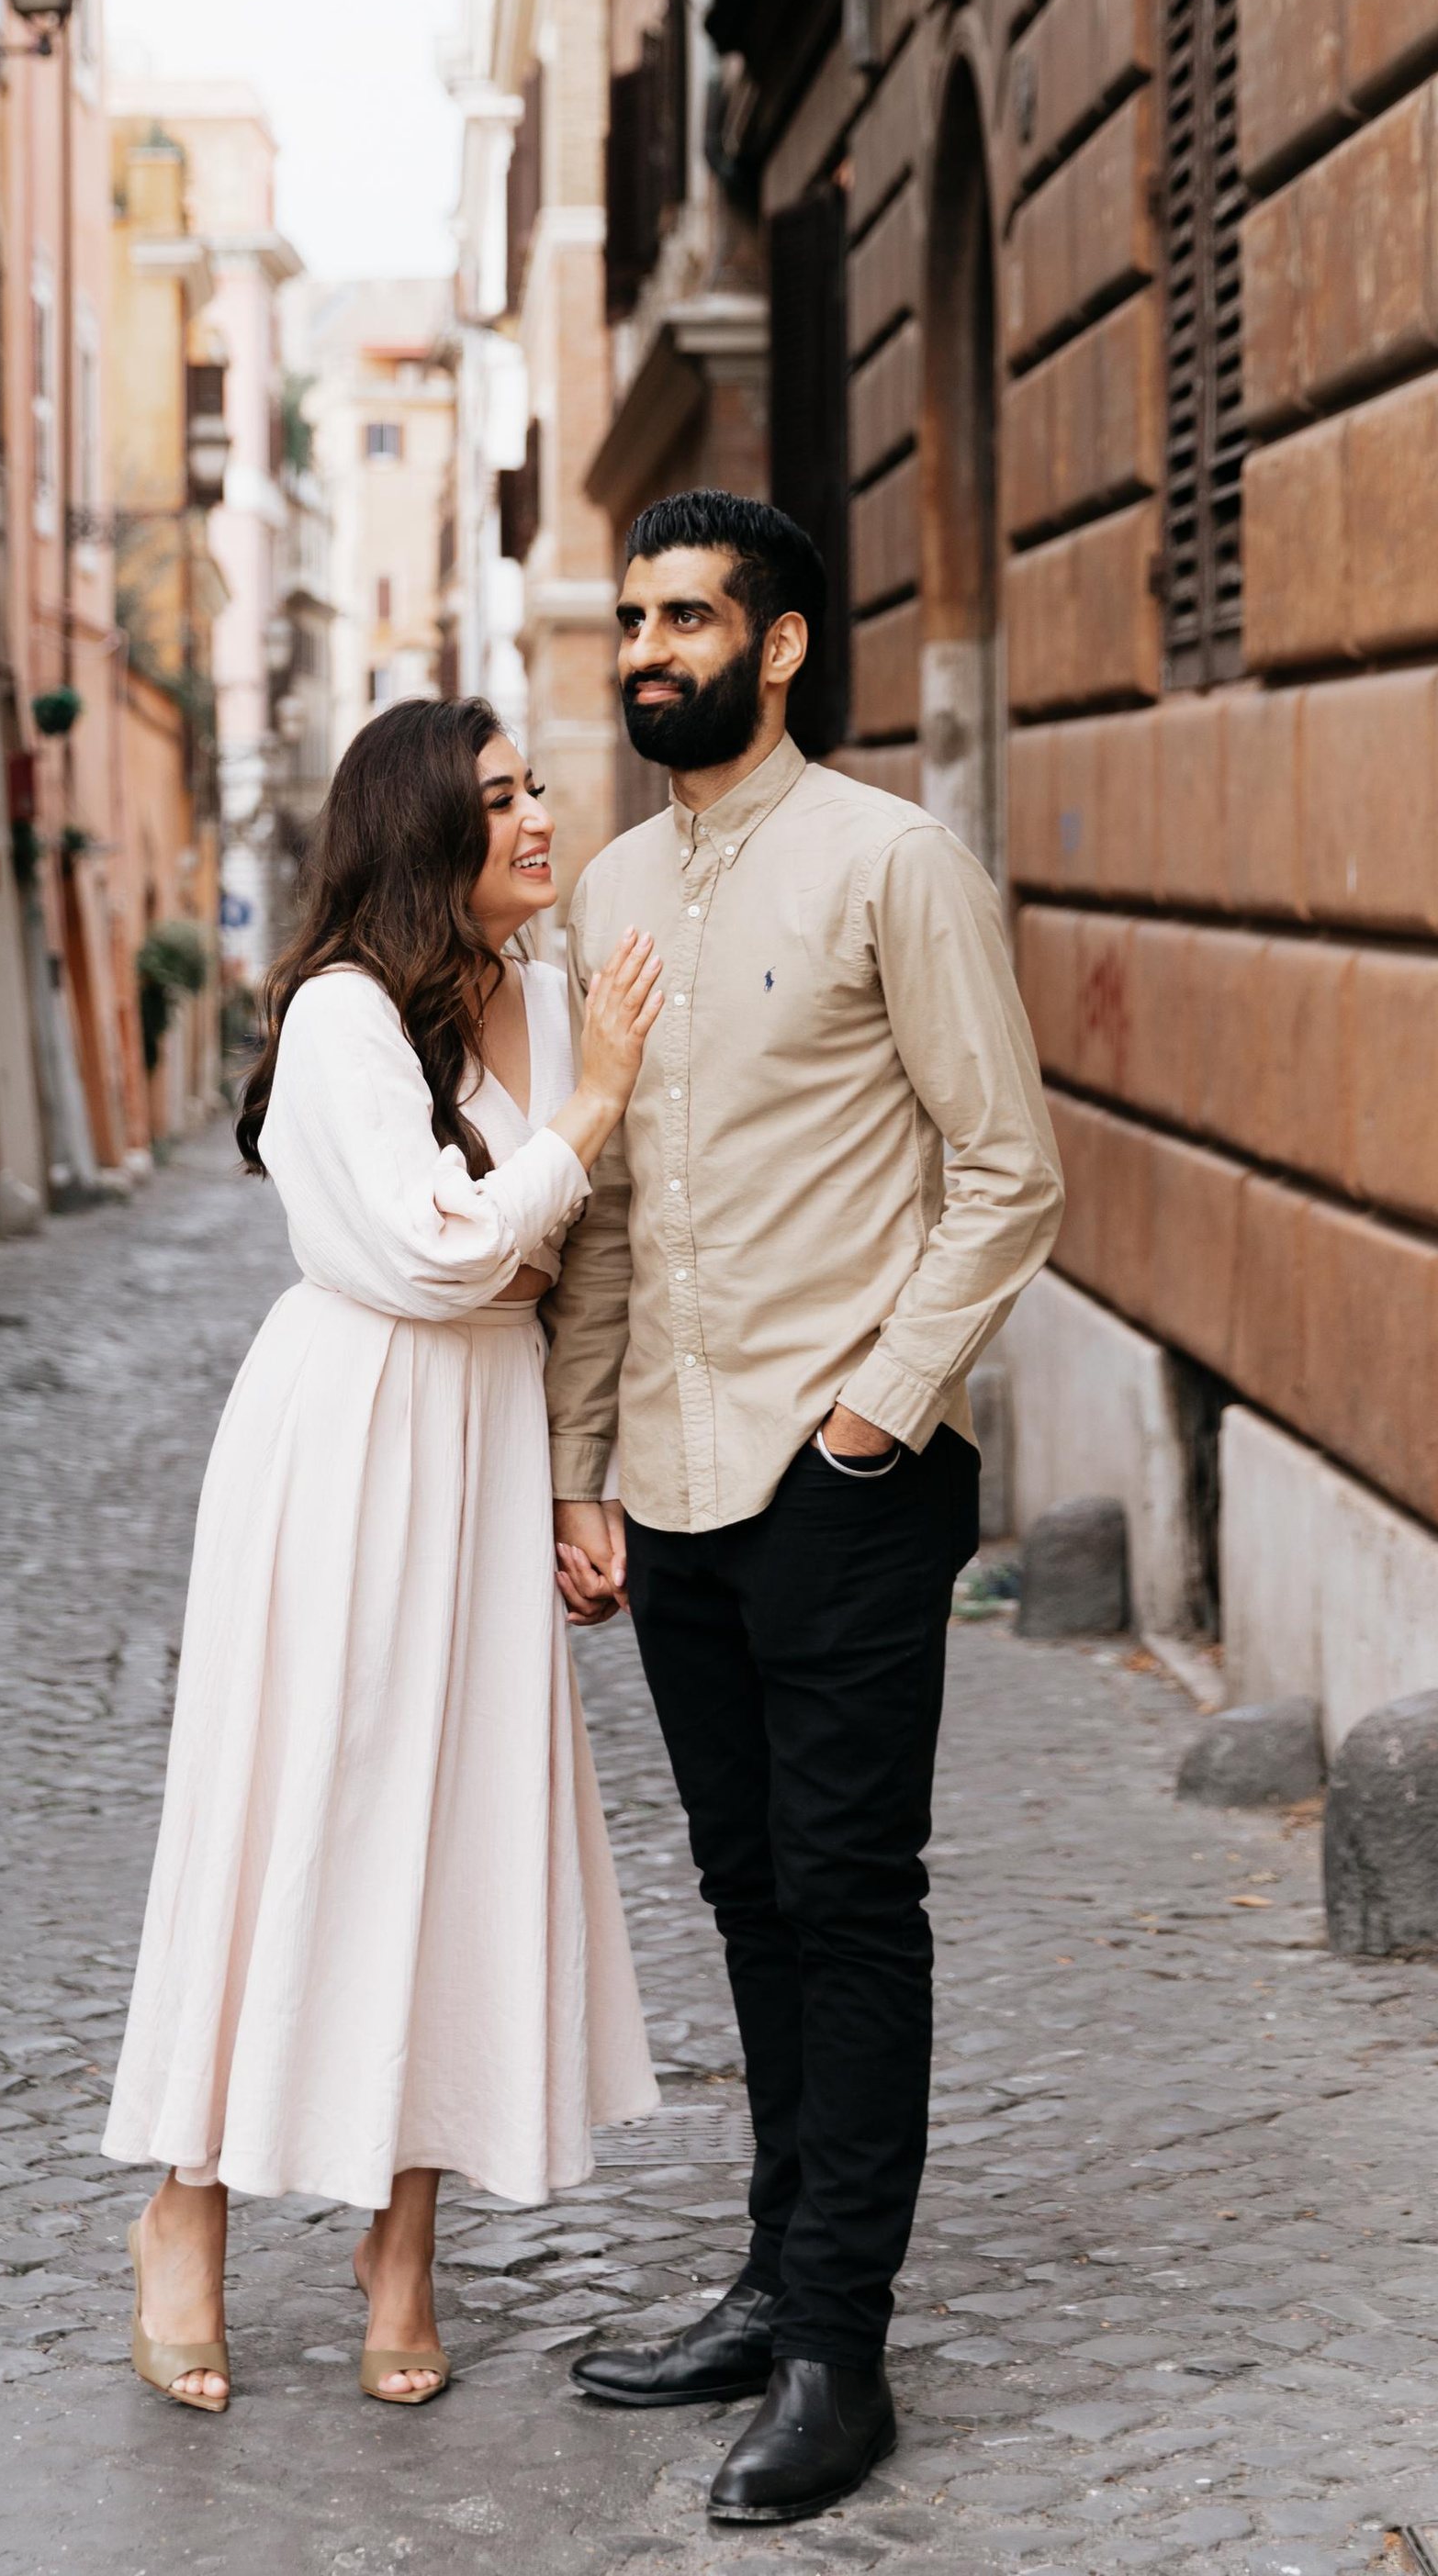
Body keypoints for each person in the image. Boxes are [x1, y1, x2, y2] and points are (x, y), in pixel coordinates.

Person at [545, 490, 1064, 2528]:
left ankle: (839, 2349)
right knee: (747, 1901)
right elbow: (601, 1227)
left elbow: (1002, 1168)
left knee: (851, 1903)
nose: (645, 647)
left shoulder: (892, 864)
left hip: (836, 1487)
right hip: (667, 1493)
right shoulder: (605, 893)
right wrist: (582, 1464)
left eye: (684, 616)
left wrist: (876, 1410)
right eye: (628, 618)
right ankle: (769, 2281)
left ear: (776, 646)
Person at [104, 695, 664, 2414]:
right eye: (498, 801)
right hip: (346, 1445)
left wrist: (582, 1484)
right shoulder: (343, 1014)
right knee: (297, 1806)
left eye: (536, 788)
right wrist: (588, 1123)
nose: (541, 817)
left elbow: (573, 1269)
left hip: (486, 1447)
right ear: (426, 835)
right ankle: (182, 2213)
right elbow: (438, 1254)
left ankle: (400, 2244)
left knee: (451, 1826)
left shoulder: (556, 1002)